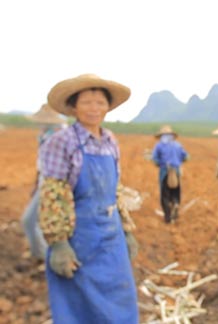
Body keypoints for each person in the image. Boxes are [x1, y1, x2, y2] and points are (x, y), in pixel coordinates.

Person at [39, 73, 139, 323]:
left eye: (100, 102)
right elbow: (54, 194)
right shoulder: (62, 141)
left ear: (107, 107)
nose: (94, 109)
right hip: (80, 236)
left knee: (120, 296)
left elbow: (115, 189)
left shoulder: (109, 141)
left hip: (111, 234)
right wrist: (59, 243)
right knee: (79, 305)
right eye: (86, 102)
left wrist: (126, 230)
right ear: (74, 107)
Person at [21, 103, 66, 261]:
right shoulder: (45, 135)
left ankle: (47, 258)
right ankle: (39, 255)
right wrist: (36, 184)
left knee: (35, 222)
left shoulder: (58, 137)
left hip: (51, 186)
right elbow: (40, 165)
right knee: (33, 221)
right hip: (43, 184)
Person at [152, 125, 189, 224]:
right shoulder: (178, 145)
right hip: (176, 171)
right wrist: (177, 161)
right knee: (175, 191)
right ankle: (176, 205)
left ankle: (168, 217)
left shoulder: (159, 145)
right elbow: (185, 156)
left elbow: (155, 159)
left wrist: (159, 163)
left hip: (165, 171)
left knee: (165, 195)